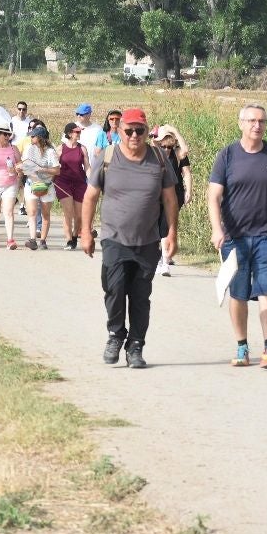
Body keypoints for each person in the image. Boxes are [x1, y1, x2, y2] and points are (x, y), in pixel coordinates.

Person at [82, 108, 178, 369]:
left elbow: (170, 198)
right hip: (114, 237)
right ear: (120, 131)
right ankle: (115, 334)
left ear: (148, 132)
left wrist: (171, 233)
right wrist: (85, 232)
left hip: (147, 241)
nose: (134, 135)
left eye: (140, 130)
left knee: (140, 296)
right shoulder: (108, 156)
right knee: (114, 290)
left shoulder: (158, 158)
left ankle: (136, 345)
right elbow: (90, 197)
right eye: (129, 130)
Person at [208, 104, 267, 370]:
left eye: (261, 121)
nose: (256, 125)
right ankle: (242, 346)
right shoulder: (227, 156)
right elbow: (213, 196)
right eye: (251, 121)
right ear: (241, 124)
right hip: (235, 238)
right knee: (238, 293)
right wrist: (217, 228)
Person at [153, 124, 192, 276]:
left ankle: (165, 261)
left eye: (169, 146)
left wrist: (189, 191)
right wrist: (157, 136)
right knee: (156, 228)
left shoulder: (177, 153)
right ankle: (158, 259)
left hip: (175, 196)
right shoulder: (156, 153)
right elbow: (152, 144)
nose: (166, 149)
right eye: (164, 146)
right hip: (156, 196)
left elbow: (187, 173)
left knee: (166, 228)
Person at [21, 126, 60, 249]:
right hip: (31, 184)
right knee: (31, 212)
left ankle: (43, 240)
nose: (31, 138)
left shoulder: (50, 152)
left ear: (40, 138)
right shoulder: (29, 149)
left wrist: (42, 169)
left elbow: (57, 170)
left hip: (47, 186)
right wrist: (22, 168)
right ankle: (33, 239)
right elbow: (25, 166)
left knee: (46, 214)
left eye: (33, 136)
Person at [54, 122, 90, 250]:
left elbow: (87, 168)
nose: (79, 133)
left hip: (80, 183)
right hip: (63, 182)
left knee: (79, 216)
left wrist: (93, 181)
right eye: (77, 132)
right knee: (68, 212)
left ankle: (75, 235)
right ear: (69, 133)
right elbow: (53, 167)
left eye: (80, 131)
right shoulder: (60, 149)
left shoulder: (82, 149)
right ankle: (69, 240)